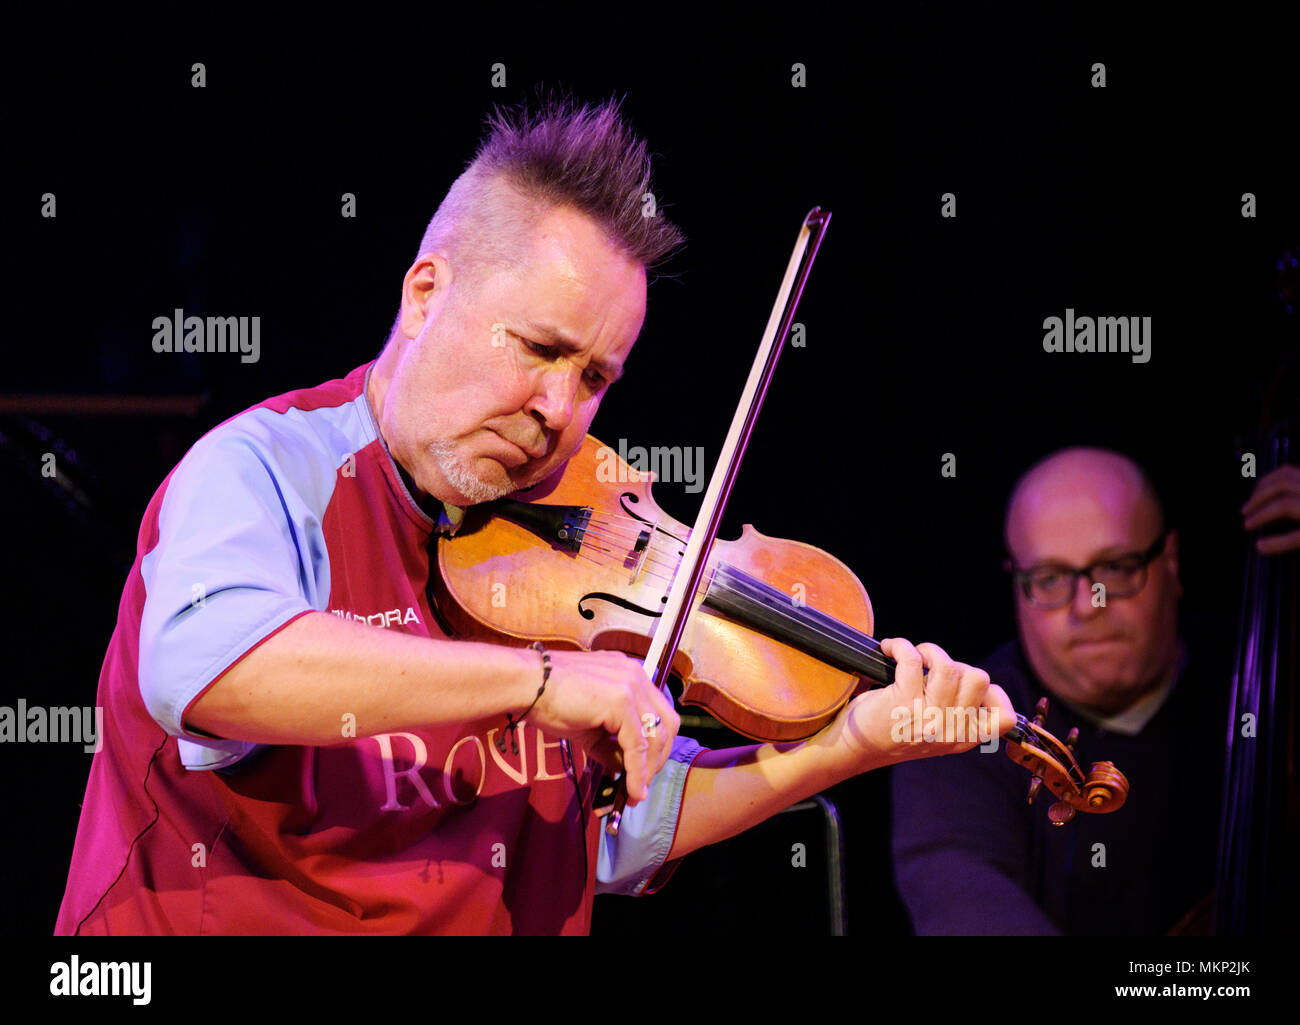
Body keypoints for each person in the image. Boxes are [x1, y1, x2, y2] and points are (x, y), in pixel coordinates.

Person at [55, 95, 1015, 935]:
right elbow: (205, 665)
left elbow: (606, 836)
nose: (560, 408)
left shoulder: (576, 557)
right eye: (540, 348)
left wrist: (851, 743)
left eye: (595, 375)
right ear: (427, 294)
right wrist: (542, 682)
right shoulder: (267, 468)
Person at [891, 445, 1299, 935]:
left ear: (1170, 561)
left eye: (1116, 567)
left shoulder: (1271, 679)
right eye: (1050, 577)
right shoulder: (963, 725)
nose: (1087, 605)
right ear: (1015, 584)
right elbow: (963, 901)